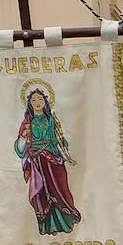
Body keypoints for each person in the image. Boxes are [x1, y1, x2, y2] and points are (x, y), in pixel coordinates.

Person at [15, 86, 81, 235]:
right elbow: (20, 148)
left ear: (45, 101)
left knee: (60, 190)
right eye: (33, 100)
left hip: (54, 160)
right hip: (38, 161)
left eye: (40, 99)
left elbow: (59, 139)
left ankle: (64, 223)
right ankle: (48, 227)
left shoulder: (51, 119)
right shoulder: (27, 122)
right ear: (30, 104)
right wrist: (24, 137)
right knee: (42, 194)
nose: (37, 102)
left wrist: (65, 153)